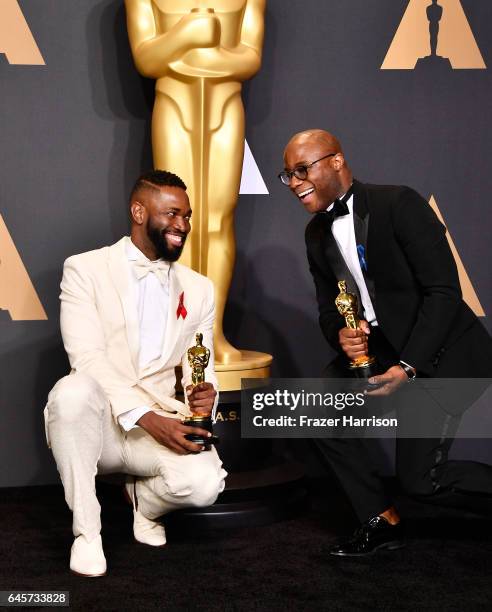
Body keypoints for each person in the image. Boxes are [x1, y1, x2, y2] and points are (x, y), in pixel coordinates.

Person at [280, 129, 492, 557]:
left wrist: (409, 367)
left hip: (442, 355)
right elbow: (328, 309)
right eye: (288, 175)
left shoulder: (399, 203)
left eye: (303, 169)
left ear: (336, 161)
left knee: (421, 482)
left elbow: (444, 294)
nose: (295, 181)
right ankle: (380, 519)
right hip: (381, 351)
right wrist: (340, 336)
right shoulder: (314, 234)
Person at [44, 170, 227, 576]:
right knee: (70, 392)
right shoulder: (85, 269)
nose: (182, 226)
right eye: (173, 214)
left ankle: (145, 505)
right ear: (139, 211)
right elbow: (86, 358)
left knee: (204, 485)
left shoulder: (199, 288)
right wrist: (148, 419)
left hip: (156, 425)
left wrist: (205, 390)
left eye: (188, 216)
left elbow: (202, 361)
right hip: (101, 425)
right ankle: (87, 533)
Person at [124, 0, 266, 363]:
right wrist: (187, 35)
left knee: (217, 219)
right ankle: (179, 332)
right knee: (173, 221)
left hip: (226, 105)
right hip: (173, 103)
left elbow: (249, 58)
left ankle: (211, 332)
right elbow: (146, 59)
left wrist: (185, 55)